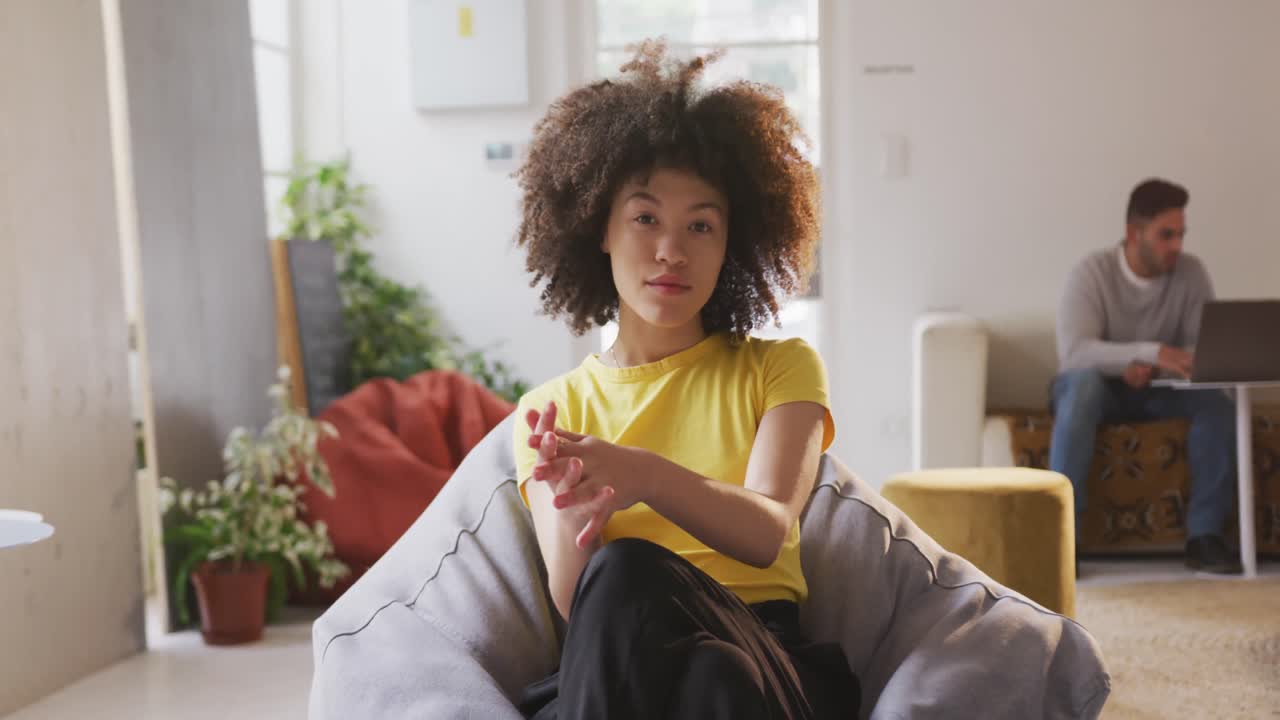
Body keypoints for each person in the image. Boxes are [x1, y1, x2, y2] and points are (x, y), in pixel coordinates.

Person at [509, 40, 859, 719]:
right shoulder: (553, 408)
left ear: (733, 244)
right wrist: (580, 518)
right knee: (704, 674)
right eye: (646, 218)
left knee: (665, 605)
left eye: (701, 225)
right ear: (599, 227)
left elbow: (766, 533)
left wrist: (642, 477)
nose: (672, 249)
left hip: (766, 653)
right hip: (626, 671)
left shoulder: (780, 368)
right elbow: (570, 597)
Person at [1052, 178, 1239, 574]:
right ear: (1133, 234)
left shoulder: (1191, 274)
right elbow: (1076, 353)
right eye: (1166, 235)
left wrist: (1156, 366)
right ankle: (1063, 539)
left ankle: (1206, 537)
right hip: (1098, 389)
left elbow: (1202, 351)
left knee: (1217, 400)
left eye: (1180, 235)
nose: (1176, 245)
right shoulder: (1091, 273)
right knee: (1082, 386)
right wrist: (1142, 355)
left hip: (1159, 388)